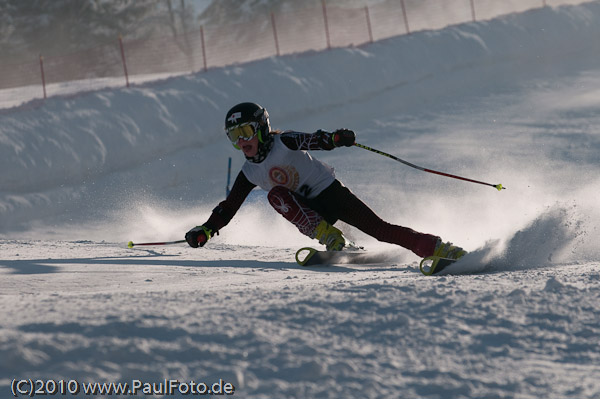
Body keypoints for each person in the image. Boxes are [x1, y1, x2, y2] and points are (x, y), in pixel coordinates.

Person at [185, 102, 465, 261]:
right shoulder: (249, 172)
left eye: (246, 132)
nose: (242, 141)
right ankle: (330, 237)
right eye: (235, 137)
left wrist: (335, 138)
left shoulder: (285, 141)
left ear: (262, 129)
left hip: (332, 196)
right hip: (309, 213)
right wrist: (207, 230)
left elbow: (315, 140)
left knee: (381, 230)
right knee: (276, 195)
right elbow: (229, 207)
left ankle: (439, 249)